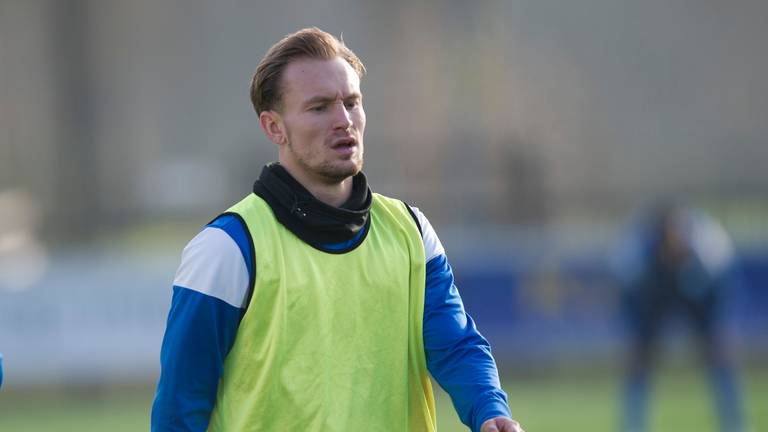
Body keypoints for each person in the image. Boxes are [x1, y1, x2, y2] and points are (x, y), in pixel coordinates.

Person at [151, 27, 523, 432]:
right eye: (319, 108)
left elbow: (456, 345)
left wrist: (490, 409)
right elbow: (179, 407)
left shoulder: (412, 232)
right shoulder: (227, 248)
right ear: (274, 128)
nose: (344, 121)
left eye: (351, 102)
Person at [615, 202, 745, 432]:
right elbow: (630, 297)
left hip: (700, 299)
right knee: (639, 362)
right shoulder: (637, 256)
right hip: (653, 299)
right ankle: (632, 426)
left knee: (720, 355)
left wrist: (718, 329)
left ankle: (734, 425)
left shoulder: (710, 249)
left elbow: (719, 293)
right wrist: (636, 332)